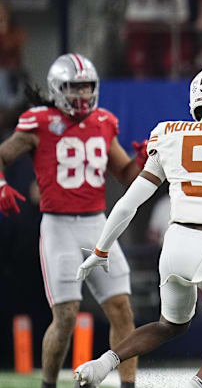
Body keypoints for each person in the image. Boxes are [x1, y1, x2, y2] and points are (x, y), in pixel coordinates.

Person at [72, 65, 202, 388]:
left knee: (169, 325)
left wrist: (101, 249)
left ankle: (103, 363)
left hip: (174, 243)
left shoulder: (168, 133)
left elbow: (129, 203)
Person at [0, 53, 144, 388]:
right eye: (74, 88)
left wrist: (143, 160)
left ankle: (128, 385)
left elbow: (125, 174)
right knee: (65, 316)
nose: (81, 95)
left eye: (86, 87)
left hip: (97, 225)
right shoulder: (39, 121)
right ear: (57, 89)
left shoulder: (104, 122)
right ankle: (49, 384)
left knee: (122, 308)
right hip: (59, 226)